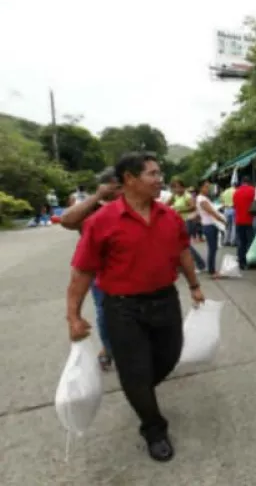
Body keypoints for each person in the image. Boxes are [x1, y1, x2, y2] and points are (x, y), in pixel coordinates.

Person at [66, 152, 204, 462]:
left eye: (160, 173)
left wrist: (194, 286)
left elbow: (183, 252)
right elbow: (82, 271)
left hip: (165, 301)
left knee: (169, 357)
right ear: (129, 178)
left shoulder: (169, 216)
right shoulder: (102, 221)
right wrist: (73, 315)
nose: (160, 180)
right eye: (153, 174)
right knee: (134, 370)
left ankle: (138, 387)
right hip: (123, 309)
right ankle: (153, 427)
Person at [60, 167, 121, 371]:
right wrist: (98, 196)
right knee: (105, 313)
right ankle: (109, 348)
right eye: (116, 186)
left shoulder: (132, 205)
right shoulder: (92, 209)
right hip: (98, 274)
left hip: (129, 271)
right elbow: (66, 220)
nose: (120, 190)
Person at [169, 179, 206, 273]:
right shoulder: (176, 196)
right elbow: (165, 205)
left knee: (185, 245)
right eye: (174, 187)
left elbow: (193, 206)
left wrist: (180, 210)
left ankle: (200, 264)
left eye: (178, 187)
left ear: (183, 187)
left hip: (188, 222)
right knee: (180, 244)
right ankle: (182, 264)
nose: (176, 189)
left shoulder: (187, 196)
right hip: (179, 223)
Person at [196, 180, 227, 279]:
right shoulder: (202, 199)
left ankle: (212, 269)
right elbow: (211, 212)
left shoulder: (203, 198)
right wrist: (222, 220)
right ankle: (212, 271)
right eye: (206, 187)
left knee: (213, 248)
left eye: (208, 186)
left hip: (209, 225)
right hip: (210, 225)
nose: (208, 189)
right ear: (201, 188)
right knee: (212, 248)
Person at [233, 176, 256, 270]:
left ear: (242, 182)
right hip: (250, 220)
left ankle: (241, 262)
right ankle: (250, 261)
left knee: (241, 242)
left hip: (238, 221)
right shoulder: (253, 190)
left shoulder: (236, 192)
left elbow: (235, 206)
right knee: (250, 242)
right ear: (249, 182)